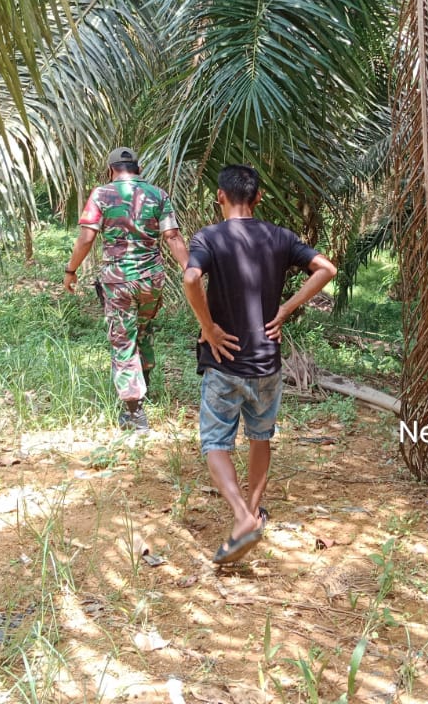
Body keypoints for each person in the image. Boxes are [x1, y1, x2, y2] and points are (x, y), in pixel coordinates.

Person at [182, 164, 337, 564]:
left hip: (224, 360)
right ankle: (252, 511)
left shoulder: (209, 237)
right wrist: (285, 310)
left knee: (215, 443)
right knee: (260, 437)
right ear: (259, 197)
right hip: (267, 361)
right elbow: (326, 269)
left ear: (220, 196)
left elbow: (191, 278)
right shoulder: (280, 237)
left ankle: (241, 517)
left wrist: (209, 327)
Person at [64, 147, 189, 432]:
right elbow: (172, 235)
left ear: (111, 170)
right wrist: (189, 270)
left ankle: (134, 413)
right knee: (142, 331)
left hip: (118, 281)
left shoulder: (101, 195)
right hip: (151, 280)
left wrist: (71, 270)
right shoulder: (158, 194)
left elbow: (86, 237)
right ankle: (146, 388)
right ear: (138, 168)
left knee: (123, 341)